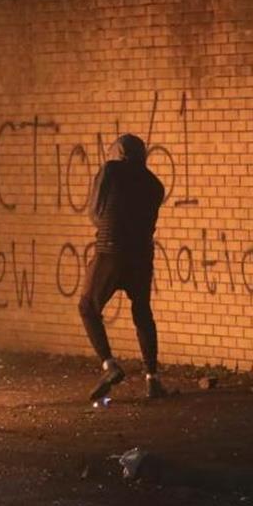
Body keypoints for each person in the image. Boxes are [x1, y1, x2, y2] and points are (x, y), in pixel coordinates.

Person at [81, 133, 168, 402]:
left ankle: (110, 365)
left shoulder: (111, 170)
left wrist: (106, 225)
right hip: (141, 254)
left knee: (88, 307)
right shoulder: (155, 184)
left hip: (110, 250)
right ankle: (152, 379)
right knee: (142, 311)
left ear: (119, 152)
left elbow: (95, 211)